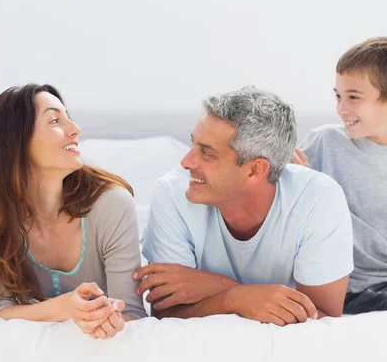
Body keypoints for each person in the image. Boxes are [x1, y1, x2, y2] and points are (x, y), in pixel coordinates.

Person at [137, 86, 353, 326]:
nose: (186, 161)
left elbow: (321, 319)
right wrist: (235, 298)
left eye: (206, 153)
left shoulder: (318, 199)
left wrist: (219, 288)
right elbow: (166, 314)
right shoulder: (172, 194)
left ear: (254, 170)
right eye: (193, 144)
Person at [0, 83, 147, 339]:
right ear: (15, 141)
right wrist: (64, 307)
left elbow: (133, 313)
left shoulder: (112, 204)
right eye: (55, 120)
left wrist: (110, 321)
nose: (75, 129)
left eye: (68, 117)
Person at [294, 37, 387, 314]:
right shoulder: (324, 142)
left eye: (353, 97)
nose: (340, 108)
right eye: (338, 96)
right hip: (346, 286)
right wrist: (290, 178)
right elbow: (284, 209)